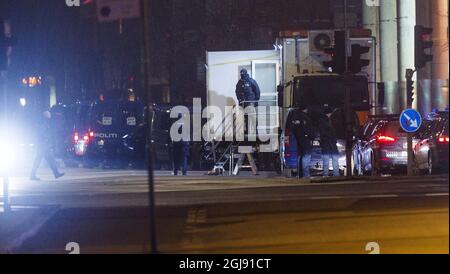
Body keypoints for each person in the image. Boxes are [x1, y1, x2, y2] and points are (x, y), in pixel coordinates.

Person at [30, 111, 65, 181]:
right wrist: (46, 141)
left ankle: (55, 173)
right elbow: (42, 133)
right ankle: (33, 175)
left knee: (46, 159)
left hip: (43, 144)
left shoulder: (43, 122)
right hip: (43, 145)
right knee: (42, 160)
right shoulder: (44, 123)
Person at [288, 108, 315, 179]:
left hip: (297, 139)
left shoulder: (294, 117)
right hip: (305, 139)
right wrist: (311, 136)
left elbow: (292, 128)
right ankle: (305, 174)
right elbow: (309, 129)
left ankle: (300, 174)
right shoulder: (305, 118)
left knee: (300, 156)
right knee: (306, 156)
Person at [318, 113, 340, 177]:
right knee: (335, 161)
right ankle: (336, 175)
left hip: (326, 144)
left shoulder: (322, 122)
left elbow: (322, 134)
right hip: (331, 144)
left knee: (326, 162)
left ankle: (325, 175)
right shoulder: (332, 121)